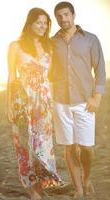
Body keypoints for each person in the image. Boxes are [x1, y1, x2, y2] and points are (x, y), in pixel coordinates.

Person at [48, 1, 106, 199]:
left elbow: (100, 70)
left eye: (66, 14)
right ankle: (78, 188)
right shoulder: (52, 42)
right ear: (56, 18)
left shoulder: (90, 39)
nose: (63, 19)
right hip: (60, 101)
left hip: (85, 101)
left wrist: (96, 97)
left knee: (87, 148)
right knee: (69, 146)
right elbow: (45, 68)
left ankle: (87, 178)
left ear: (73, 15)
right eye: (59, 16)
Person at [7, 7, 62, 200]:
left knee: (42, 145)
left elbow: (51, 78)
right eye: (39, 22)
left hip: (44, 103)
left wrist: (53, 104)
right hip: (22, 102)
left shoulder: (49, 47)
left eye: (45, 23)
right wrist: (8, 106)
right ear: (30, 23)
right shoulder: (16, 46)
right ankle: (32, 190)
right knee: (24, 147)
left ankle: (39, 187)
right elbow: (12, 77)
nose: (42, 26)